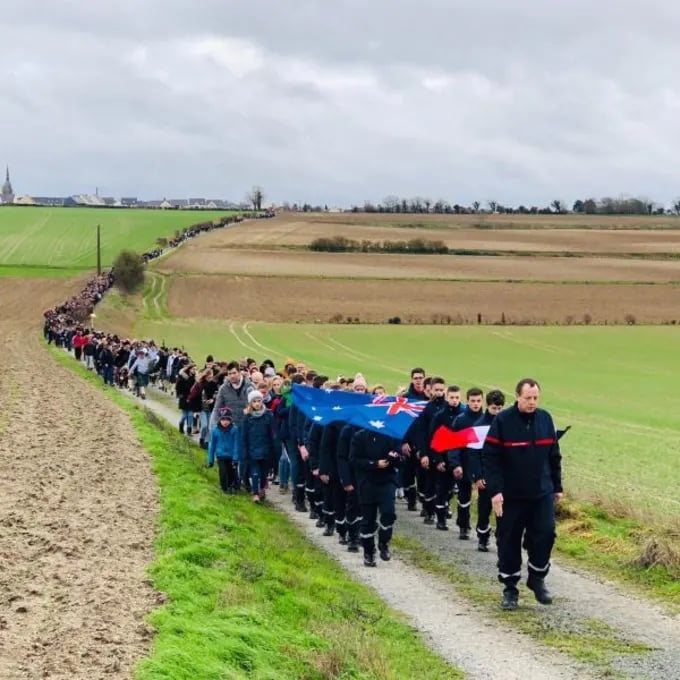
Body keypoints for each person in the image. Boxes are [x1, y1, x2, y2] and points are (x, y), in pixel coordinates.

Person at [482, 378, 563, 611]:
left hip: (541, 492)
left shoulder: (546, 419)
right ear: (517, 396)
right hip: (510, 495)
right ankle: (510, 588)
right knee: (508, 540)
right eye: (528, 398)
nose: (532, 402)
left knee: (546, 534)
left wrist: (557, 486)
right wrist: (495, 492)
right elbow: (491, 458)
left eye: (536, 398)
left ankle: (537, 577)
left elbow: (554, 455)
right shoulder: (503, 421)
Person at [350, 428, 402, 567]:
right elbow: (354, 460)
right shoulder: (359, 436)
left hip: (387, 481)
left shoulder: (392, 434)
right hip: (367, 482)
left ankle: (384, 542)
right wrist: (374, 464)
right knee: (368, 519)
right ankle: (368, 551)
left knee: (388, 513)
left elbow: (401, 458)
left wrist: (394, 457)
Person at [468, 389, 505, 552]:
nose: (497, 412)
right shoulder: (479, 426)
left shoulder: (506, 424)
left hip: (503, 474)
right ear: (487, 406)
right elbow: (473, 454)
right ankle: (482, 536)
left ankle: (501, 537)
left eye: (499, 409)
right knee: (484, 509)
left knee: (503, 508)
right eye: (493, 409)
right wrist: (477, 476)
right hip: (484, 474)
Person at [449, 387, 485, 539]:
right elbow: (453, 444)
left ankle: (483, 530)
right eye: (473, 401)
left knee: (484, 498)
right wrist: (455, 463)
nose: (476, 404)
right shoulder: (461, 420)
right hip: (464, 462)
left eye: (478, 401)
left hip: (481, 464)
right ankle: (463, 525)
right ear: (467, 401)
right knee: (464, 495)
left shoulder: (486, 420)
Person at [241, 391, 276, 503]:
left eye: (259, 401)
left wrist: (274, 446)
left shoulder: (268, 415)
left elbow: (273, 432)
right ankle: (255, 492)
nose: (257, 404)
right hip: (253, 448)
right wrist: (244, 449)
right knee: (255, 472)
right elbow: (244, 435)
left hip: (266, 448)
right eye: (254, 401)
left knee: (264, 473)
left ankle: (261, 488)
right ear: (250, 403)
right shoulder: (248, 417)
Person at [207, 407, 240, 494]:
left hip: (231, 456)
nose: (225, 422)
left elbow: (237, 444)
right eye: (223, 419)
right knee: (223, 472)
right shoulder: (215, 431)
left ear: (231, 420)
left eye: (227, 419)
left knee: (231, 472)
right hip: (220, 456)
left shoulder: (234, 430)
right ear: (219, 419)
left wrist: (236, 458)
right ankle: (224, 488)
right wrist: (210, 459)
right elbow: (212, 446)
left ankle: (231, 486)